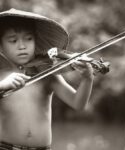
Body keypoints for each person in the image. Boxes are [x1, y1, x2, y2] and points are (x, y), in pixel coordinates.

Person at [0, 8, 109, 150]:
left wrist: (87, 78)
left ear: (35, 41)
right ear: (1, 45)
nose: (22, 46)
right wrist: (2, 85)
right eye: (13, 40)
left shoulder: (46, 72)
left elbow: (78, 103)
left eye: (28, 38)